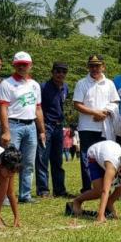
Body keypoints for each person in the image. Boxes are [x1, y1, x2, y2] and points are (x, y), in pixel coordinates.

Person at [0, 51, 46, 203]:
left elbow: (38, 109)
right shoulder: (7, 84)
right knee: (9, 162)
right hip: (13, 125)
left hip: (31, 125)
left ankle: (25, 195)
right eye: (19, 65)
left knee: (29, 162)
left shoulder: (35, 85)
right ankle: (5, 196)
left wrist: (42, 130)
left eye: (25, 65)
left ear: (30, 66)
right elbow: (3, 108)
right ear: (14, 65)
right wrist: (6, 131)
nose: (22, 68)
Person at [70, 141, 121, 222]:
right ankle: (77, 201)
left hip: (109, 151)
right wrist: (100, 215)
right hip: (94, 155)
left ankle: (110, 202)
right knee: (99, 191)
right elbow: (105, 190)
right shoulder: (112, 165)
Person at [73, 55, 120, 193]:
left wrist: (104, 113)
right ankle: (88, 187)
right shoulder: (82, 83)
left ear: (103, 66)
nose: (94, 69)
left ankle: (105, 187)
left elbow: (115, 102)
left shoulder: (109, 83)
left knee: (106, 157)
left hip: (105, 127)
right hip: (87, 127)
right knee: (86, 157)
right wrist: (95, 113)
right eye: (92, 66)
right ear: (88, 67)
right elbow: (77, 104)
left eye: (97, 66)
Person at [36, 62, 69, 198]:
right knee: (43, 159)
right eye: (58, 71)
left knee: (57, 160)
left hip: (59, 126)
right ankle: (43, 190)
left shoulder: (65, 87)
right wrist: (41, 128)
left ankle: (59, 189)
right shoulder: (43, 87)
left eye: (63, 72)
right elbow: (38, 108)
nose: (60, 74)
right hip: (46, 125)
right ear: (52, 72)